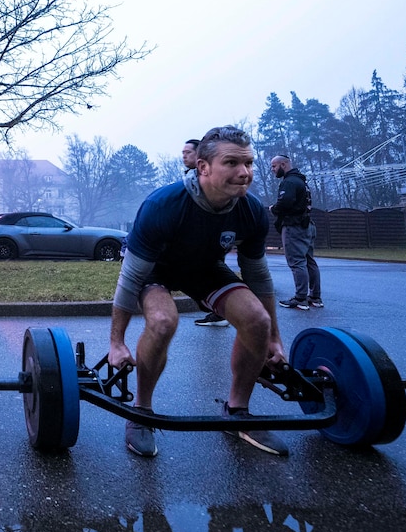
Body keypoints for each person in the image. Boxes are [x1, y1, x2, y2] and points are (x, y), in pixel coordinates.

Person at [108, 126, 288, 457]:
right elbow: (130, 277)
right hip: (156, 270)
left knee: (257, 321)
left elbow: (258, 277)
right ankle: (141, 412)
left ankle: (237, 413)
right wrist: (116, 343)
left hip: (204, 269)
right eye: (232, 163)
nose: (244, 172)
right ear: (203, 167)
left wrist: (274, 337)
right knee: (163, 322)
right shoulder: (163, 205)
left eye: (249, 163)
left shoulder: (250, 211)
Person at [270, 155, 322, 310]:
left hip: (294, 227)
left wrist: (273, 209)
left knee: (297, 262)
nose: (272, 170)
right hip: (307, 225)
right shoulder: (301, 181)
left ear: (283, 164)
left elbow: (285, 202)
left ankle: (300, 298)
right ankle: (315, 297)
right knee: (309, 261)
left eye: (274, 166)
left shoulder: (289, 182)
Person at [187, 138, 229, 328]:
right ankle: (216, 311)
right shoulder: (190, 178)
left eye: (188, 152)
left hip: (210, 235)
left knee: (214, 269)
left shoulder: (207, 180)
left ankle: (219, 314)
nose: (184, 156)